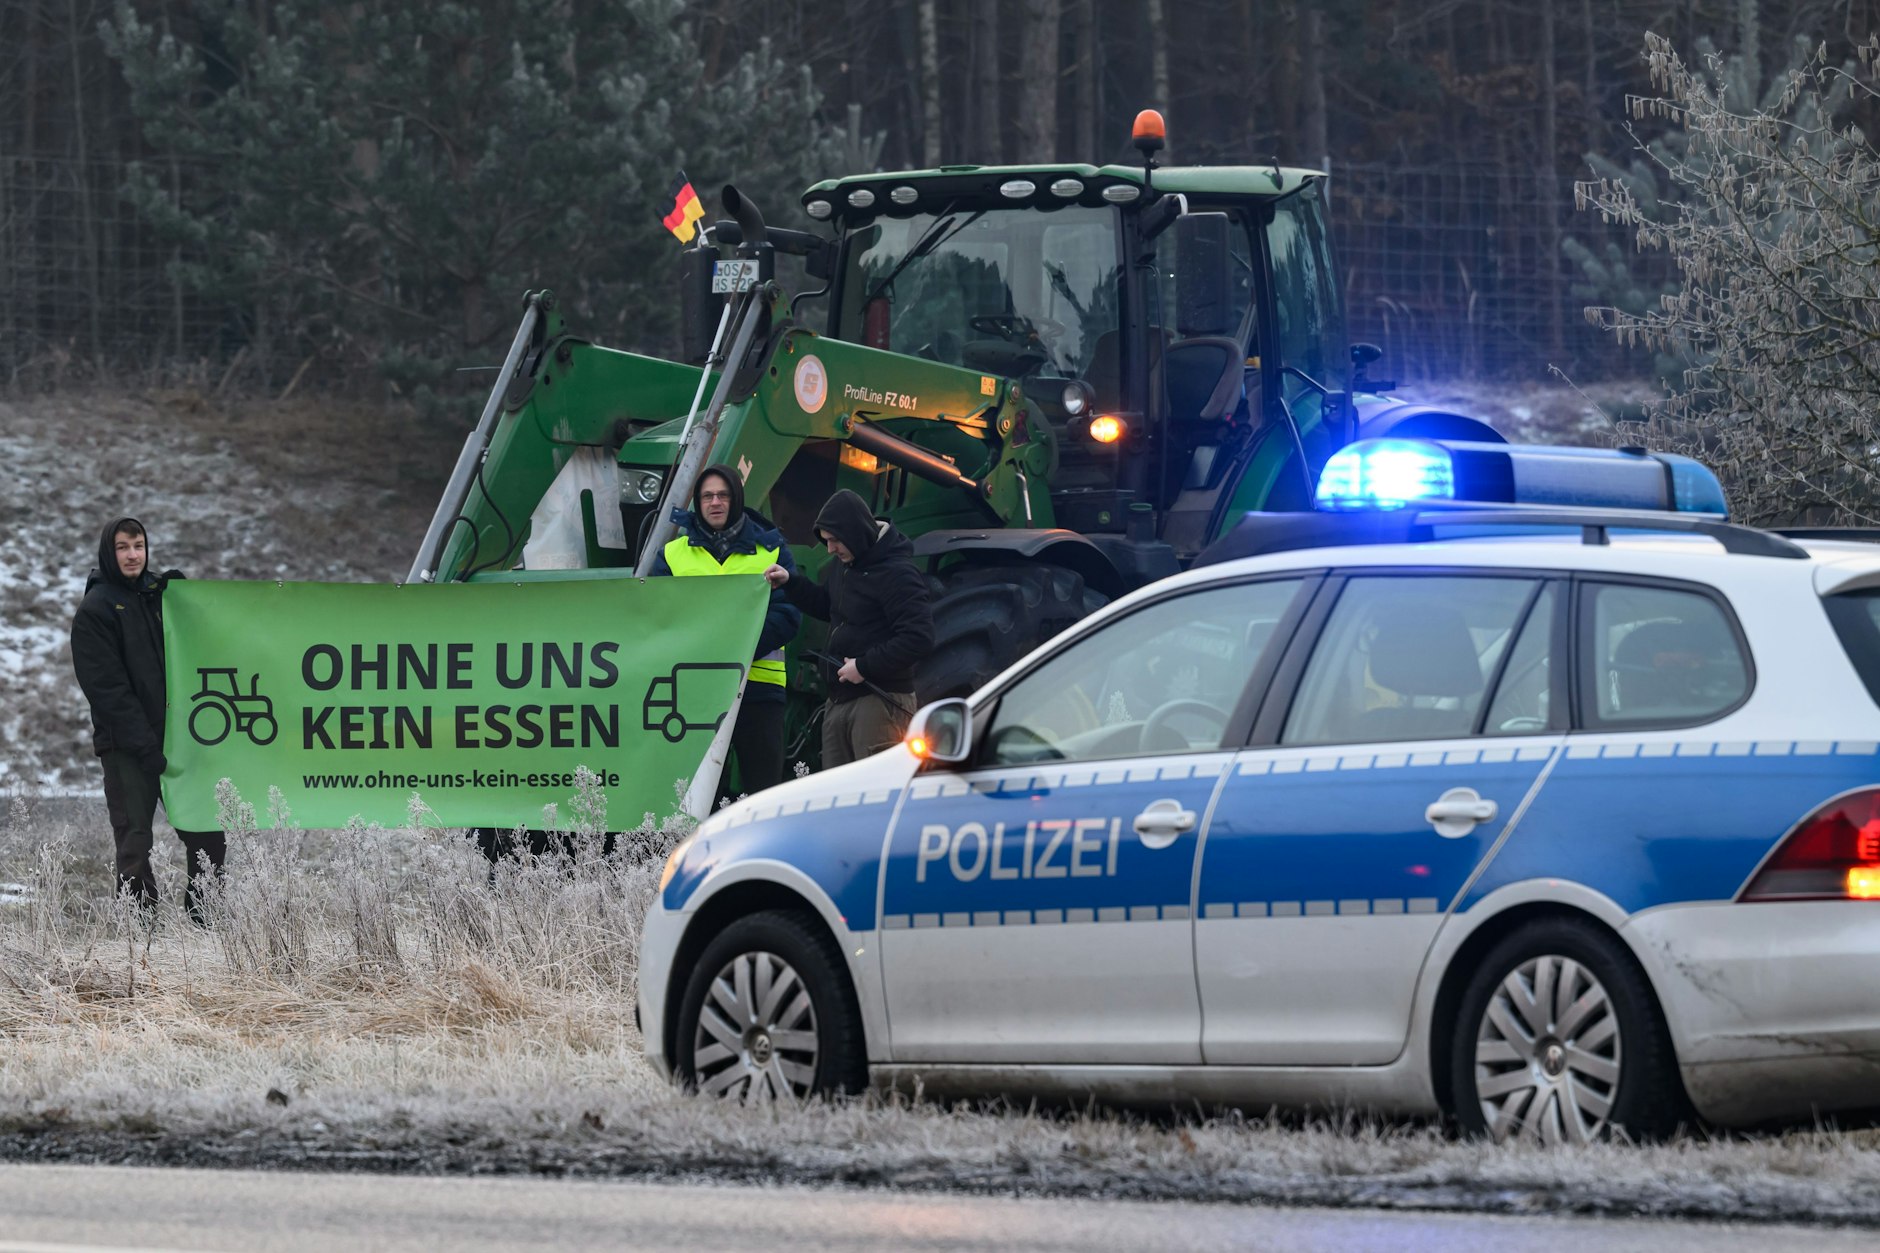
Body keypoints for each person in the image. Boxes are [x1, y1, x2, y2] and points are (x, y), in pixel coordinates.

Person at [70, 517, 224, 919]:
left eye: (138, 545)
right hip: (126, 747)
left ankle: (206, 920)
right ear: (109, 552)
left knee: (207, 832)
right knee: (135, 843)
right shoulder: (96, 610)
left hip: (181, 741)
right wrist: (145, 745)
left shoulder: (159, 595)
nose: (133, 554)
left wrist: (185, 597)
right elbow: (107, 692)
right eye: (123, 547)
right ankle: (141, 932)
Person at [645, 465, 801, 801]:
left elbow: (788, 614)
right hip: (694, 691)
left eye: (723, 495)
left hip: (758, 690)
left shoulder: (771, 551)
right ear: (698, 503)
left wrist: (736, 649)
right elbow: (658, 616)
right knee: (692, 797)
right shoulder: (673, 555)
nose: (715, 502)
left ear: (737, 499)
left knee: (762, 796)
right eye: (707, 496)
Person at [765, 489, 934, 768]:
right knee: (839, 800)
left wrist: (864, 667)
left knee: (875, 795)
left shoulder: (899, 574)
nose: (830, 549)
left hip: (879, 701)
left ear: (854, 532)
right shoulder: (845, 565)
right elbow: (828, 607)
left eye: (834, 541)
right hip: (838, 700)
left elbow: (919, 637)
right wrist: (791, 583)